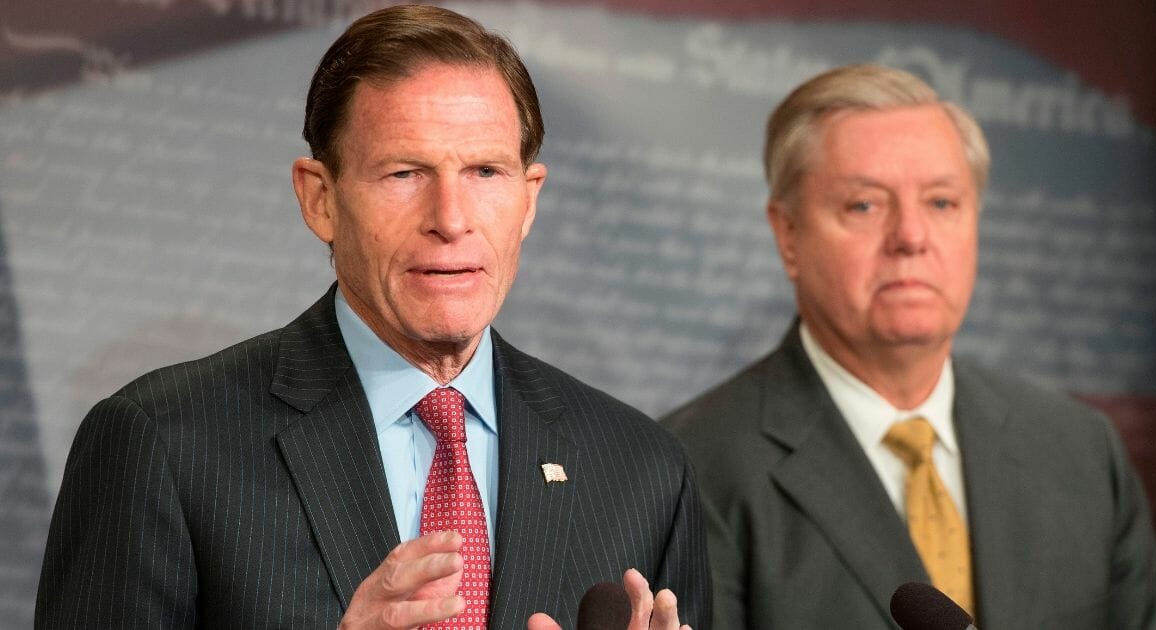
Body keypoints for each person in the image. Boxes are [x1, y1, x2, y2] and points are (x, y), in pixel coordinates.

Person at [35, 6, 710, 629]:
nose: (450, 220)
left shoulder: (641, 470)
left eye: (484, 173)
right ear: (320, 198)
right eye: (404, 174)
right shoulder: (165, 444)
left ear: (529, 199)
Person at [662, 64, 1156, 629]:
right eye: (865, 205)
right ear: (788, 235)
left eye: (941, 203)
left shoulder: (1080, 450)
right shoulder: (690, 467)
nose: (911, 236)